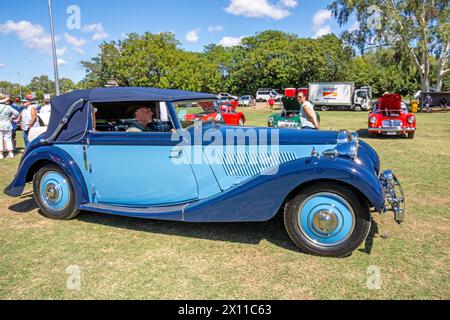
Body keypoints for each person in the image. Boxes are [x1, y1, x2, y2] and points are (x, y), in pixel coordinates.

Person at [0, 94, 20, 159]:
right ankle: (10, 153)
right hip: (7, 124)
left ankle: (1, 154)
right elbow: (17, 113)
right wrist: (12, 117)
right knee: (8, 139)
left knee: (0, 139)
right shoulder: (8, 107)